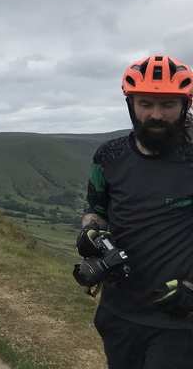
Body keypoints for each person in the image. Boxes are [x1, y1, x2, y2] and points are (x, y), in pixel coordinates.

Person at [78, 54, 193, 368]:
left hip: (180, 320)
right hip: (119, 312)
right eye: (145, 104)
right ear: (130, 104)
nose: (156, 114)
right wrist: (90, 233)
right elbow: (95, 209)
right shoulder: (109, 156)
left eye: (168, 105)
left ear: (186, 105)